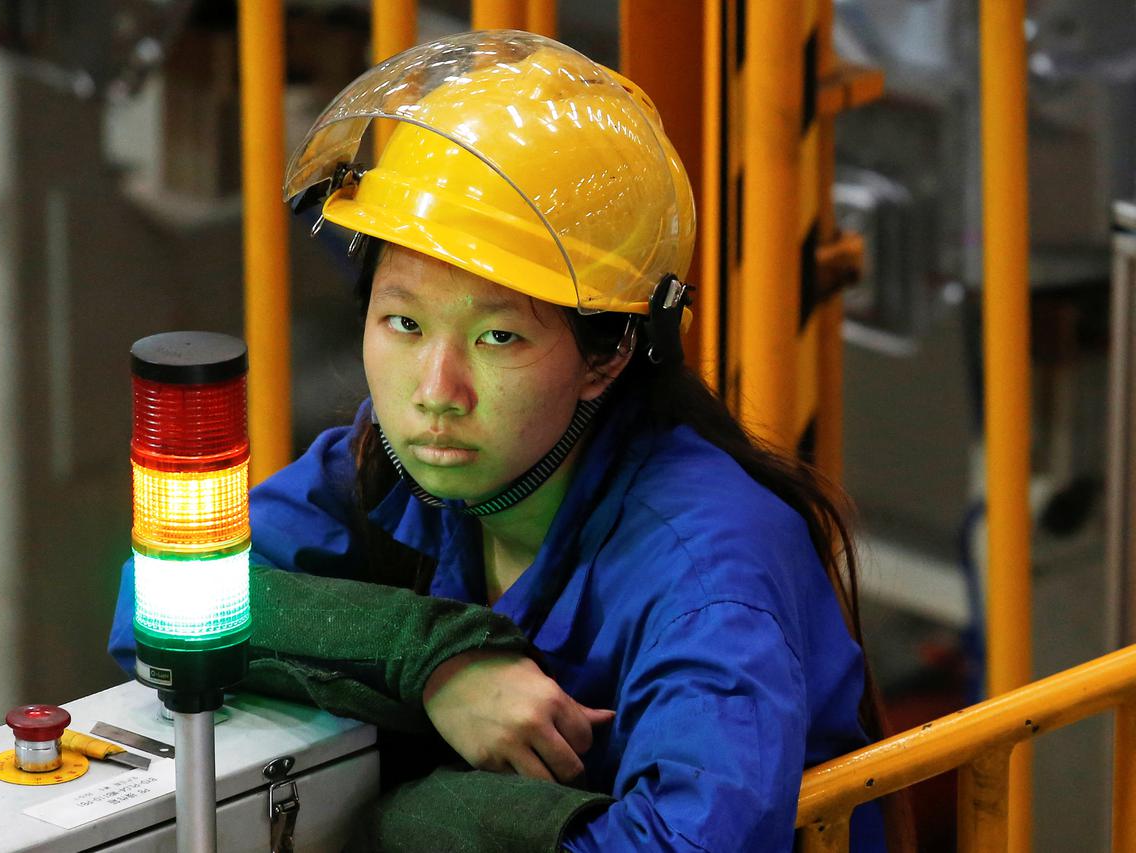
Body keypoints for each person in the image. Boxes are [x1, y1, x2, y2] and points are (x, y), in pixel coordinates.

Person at [111, 31, 894, 851]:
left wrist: (451, 825)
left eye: (498, 339)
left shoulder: (709, 572)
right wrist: (436, 661)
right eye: (405, 323)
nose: (435, 391)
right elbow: (157, 605)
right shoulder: (396, 472)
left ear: (610, 355)